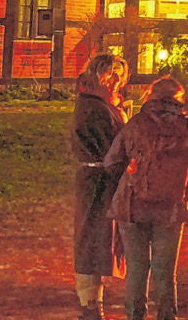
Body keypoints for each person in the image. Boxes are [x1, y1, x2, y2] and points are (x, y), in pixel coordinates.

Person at [104, 77, 188, 320]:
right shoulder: (187, 128)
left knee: (137, 268)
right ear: (179, 99)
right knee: (165, 270)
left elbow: (111, 161)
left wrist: (130, 169)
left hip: (133, 206)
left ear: (150, 96)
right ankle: (167, 315)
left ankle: (135, 315)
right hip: (171, 208)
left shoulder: (136, 124)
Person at [71, 53, 130, 320]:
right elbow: (114, 147)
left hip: (103, 180)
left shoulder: (102, 103)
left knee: (99, 240)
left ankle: (93, 303)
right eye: (111, 74)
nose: (116, 80)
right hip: (97, 183)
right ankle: (89, 305)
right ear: (97, 74)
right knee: (91, 240)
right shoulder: (94, 107)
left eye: (119, 75)